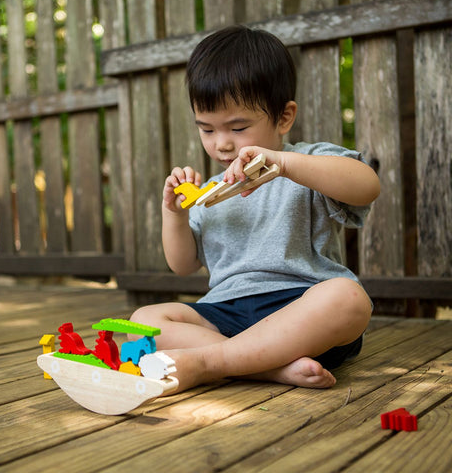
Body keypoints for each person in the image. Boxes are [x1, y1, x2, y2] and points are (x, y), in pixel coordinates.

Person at [129, 25, 380, 393]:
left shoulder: (304, 162)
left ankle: (210, 362)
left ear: (283, 117)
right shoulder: (210, 191)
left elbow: (366, 186)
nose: (223, 144)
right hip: (225, 311)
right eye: (207, 130)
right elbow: (182, 265)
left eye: (238, 127)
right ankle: (270, 368)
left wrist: (286, 163)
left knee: (348, 298)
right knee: (144, 320)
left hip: (299, 311)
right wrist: (175, 213)